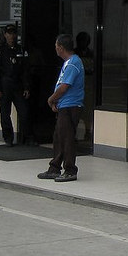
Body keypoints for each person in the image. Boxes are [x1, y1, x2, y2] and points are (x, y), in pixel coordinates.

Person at [37, 34, 85, 183]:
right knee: (59, 137)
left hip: (71, 105)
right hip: (65, 104)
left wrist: (51, 98)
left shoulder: (72, 63)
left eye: (56, 46)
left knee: (67, 138)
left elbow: (64, 87)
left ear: (61, 48)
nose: (55, 49)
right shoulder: (69, 62)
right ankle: (55, 167)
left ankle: (70, 170)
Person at [0, 24, 31, 146]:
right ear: (5, 35)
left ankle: (27, 137)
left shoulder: (21, 50)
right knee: (4, 113)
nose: (11, 36)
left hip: (18, 85)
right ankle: (8, 138)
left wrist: (26, 87)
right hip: (4, 85)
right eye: (9, 33)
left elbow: (26, 70)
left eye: (13, 33)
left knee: (24, 112)